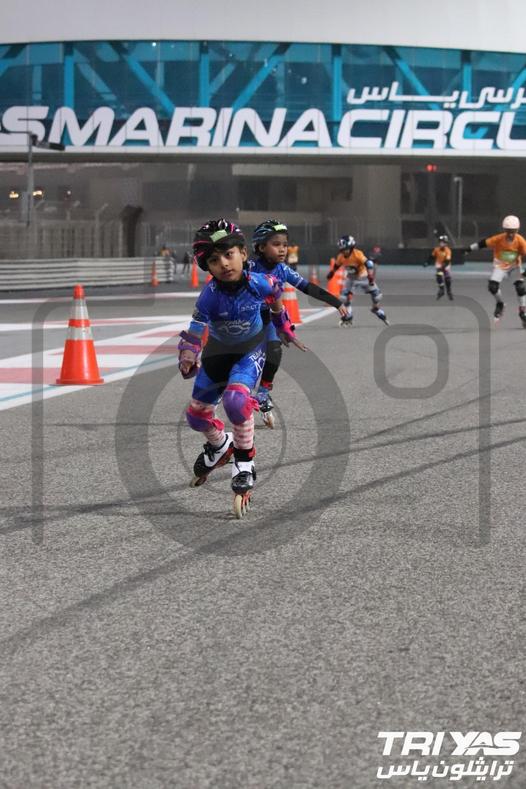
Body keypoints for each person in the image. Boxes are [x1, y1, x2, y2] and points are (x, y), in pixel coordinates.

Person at [178, 219, 304, 513]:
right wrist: (188, 353)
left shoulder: (259, 282)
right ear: (207, 267)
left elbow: (275, 294)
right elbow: (195, 329)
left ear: (243, 254)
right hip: (217, 353)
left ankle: (245, 462)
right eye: (214, 260)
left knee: (236, 401)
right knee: (196, 417)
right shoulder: (209, 295)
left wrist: (282, 325)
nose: (223, 263)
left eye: (228, 254)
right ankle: (220, 445)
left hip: (249, 351)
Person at [249, 219, 348, 426]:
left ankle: (263, 393)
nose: (282, 249)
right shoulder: (248, 267)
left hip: (268, 317)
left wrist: (335, 302)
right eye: (276, 244)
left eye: (285, 244)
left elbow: (307, 287)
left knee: (275, 349)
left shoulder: (283, 270)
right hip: (244, 318)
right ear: (261, 247)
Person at [463, 215, 526, 325]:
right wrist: (469, 249)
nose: (511, 234)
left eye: (513, 231)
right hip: (500, 266)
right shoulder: (498, 239)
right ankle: (500, 304)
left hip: (514, 267)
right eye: (508, 231)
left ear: (517, 230)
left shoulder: (520, 241)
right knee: (492, 287)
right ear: (504, 230)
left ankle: (523, 311)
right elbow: (483, 243)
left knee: (521, 288)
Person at [328, 235, 389, 327]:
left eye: (346, 249)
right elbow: (336, 265)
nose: (344, 252)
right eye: (343, 250)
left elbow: (368, 264)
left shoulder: (357, 254)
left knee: (377, 296)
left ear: (351, 247)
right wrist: (332, 273)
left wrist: (370, 276)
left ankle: (375, 308)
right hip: (351, 279)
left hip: (363, 277)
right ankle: (348, 315)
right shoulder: (341, 256)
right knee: (343, 297)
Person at [425, 235, 453, 300]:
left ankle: (449, 291)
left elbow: (447, 261)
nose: (441, 243)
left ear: (446, 243)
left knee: (447, 278)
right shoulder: (436, 249)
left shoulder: (448, 250)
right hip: (439, 264)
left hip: (446, 265)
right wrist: (427, 262)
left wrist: (443, 267)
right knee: (439, 275)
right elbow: (432, 257)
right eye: (440, 242)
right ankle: (441, 289)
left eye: (443, 242)